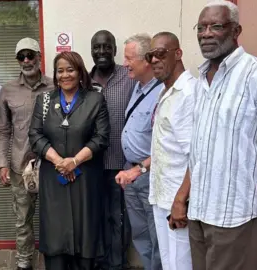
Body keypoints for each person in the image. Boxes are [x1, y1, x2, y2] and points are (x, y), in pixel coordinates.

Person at [171, 1, 257, 270]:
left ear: (236, 30)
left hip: (235, 215)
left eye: (216, 26)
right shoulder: (202, 80)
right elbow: (199, 149)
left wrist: (256, 192)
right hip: (200, 211)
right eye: (201, 27)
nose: (206, 33)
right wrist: (183, 197)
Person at [28, 51, 110, 270]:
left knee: (86, 236)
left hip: (85, 179)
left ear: (80, 72)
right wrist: (60, 162)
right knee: (56, 236)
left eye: (70, 70)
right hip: (53, 180)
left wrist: (75, 161)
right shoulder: (44, 100)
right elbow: (35, 135)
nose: (65, 75)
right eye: (60, 70)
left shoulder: (95, 99)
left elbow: (101, 137)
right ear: (55, 75)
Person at [0, 37, 53, 270]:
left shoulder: (55, 86)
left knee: (53, 216)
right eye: (22, 56)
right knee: (23, 218)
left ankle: (54, 257)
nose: (27, 60)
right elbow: (2, 130)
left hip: (51, 163)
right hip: (21, 166)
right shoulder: (7, 90)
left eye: (30, 55)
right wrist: (2, 164)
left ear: (39, 56)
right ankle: (24, 261)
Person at [146, 32, 196, 270]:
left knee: (181, 265)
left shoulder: (188, 94)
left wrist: (180, 201)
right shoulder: (164, 91)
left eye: (160, 53)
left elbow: (196, 155)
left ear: (178, 54)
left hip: (178, 199)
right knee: (169, 264)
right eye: (150, 55)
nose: (154, 60)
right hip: (161, 196)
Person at [114, 33, 163, 270]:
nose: (124, 64)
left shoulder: (164, 92)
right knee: (141, 236)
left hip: (150, 175)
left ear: (147, 60)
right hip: (131, 173)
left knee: (158, 239)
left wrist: (140, 169)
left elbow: (167, 146)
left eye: (129, 58)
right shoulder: (137, 86)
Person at [90, 29, 135, 270]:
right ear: (91, 52)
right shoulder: (84, 81)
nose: (101, 52)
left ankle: (118, 264)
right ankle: (100, 261)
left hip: (121, 162)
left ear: (115, 50)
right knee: (96, 216)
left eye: (106, 47)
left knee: (119, 217)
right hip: (92, 164)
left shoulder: (128, 77)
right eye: (97, 47)